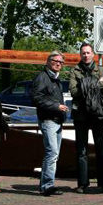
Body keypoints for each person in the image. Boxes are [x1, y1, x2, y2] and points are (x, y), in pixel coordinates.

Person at [69, 43, 103, 193]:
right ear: (80, 55)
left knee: (101, 150)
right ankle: (82, 184)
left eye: (88, 53)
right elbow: (74, 91)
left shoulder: (101, 69)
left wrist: (84, 84)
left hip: (98, 113)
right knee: (81, 150)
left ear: (93, 54)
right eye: (83, 53)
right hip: (81, 114)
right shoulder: (74, 71)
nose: (86, 55)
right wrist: (94, 83)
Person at [32, 51, 67, 197]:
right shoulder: (42, 77)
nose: (58, 64)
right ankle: (47, 185)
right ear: (48, 62)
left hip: (57, 120)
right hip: (48, 120)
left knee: (54, 154)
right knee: (51, 153)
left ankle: (46, 184)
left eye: (61, 62)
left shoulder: (56, 79)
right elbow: (36, 98)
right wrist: (56, 106)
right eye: (55, 61)